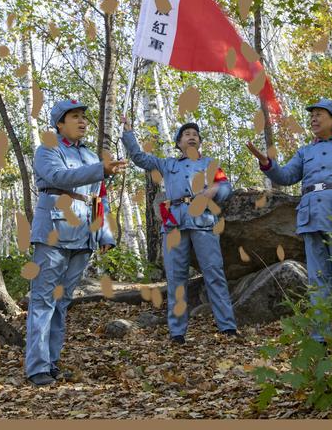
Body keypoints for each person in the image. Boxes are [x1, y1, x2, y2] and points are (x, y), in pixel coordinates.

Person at [246, 98, 332, 343]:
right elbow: (286, 176)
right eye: (312, 115)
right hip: (311, 218)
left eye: (319, 114)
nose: (314, 119)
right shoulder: (305, 151)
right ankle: (320, 335)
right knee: (317, 278)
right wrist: (266, 163)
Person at [26, 99, 126, 386]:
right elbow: (60, 177)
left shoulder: (91, 155)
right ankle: (37, 368)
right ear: (59, 123)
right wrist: (101, 170)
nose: (82, 121)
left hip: (83, 235)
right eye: (75, 116)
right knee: (43, 301)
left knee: (61, 302)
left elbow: (99, 198)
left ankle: (52, 363)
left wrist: (104, 232)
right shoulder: (47, 149)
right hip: (53, 233)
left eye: (84, 116)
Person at [121, 117, 238, 344]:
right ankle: (177, 332)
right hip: (174, 223)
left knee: (214, 274)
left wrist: (213, 190)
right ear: (178, 143)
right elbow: (140, 158)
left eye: (195, 134)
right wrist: (128, 133)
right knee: (176, 278)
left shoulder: (210, 163)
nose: (192, 136)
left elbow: (226, 187)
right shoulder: (168, 165)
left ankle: (228, 327)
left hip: (203, 221)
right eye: (187, 134)